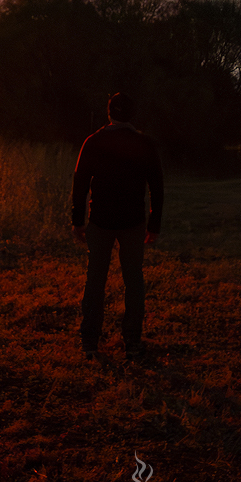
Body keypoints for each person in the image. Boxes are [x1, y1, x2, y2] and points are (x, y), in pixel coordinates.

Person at [71, 91, 164, 360]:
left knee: (95, 279)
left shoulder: (93, 142)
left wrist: (78, 220)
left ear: (109, 112)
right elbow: (156, 187)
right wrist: (154, 223)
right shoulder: (144, 144)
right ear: (132, 114)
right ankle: (132, 341)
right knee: (134, 280)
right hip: (133, 222)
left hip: (100, 221)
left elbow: (80, 183)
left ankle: (89, 341)